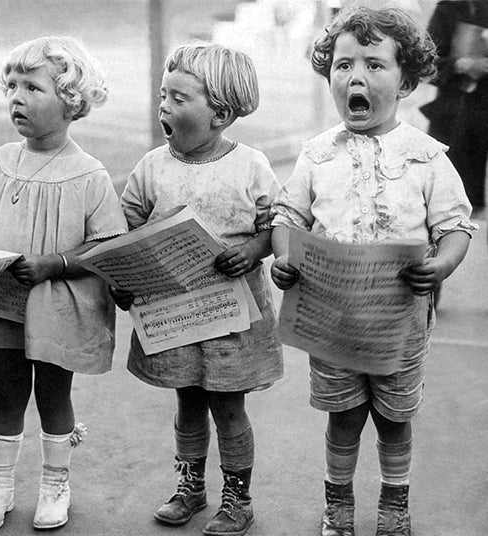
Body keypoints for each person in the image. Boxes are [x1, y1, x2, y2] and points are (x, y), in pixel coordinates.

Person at [270, 6, 477, 536]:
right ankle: (338, 506)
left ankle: (393, 505)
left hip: (398, 325)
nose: (355, 77)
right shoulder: (317, 155)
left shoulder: (428, 157)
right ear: (330, 76)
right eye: (343, 65)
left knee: (394, 419)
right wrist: (285, 256)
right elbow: (288, 217)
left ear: (406, 80)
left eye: (374, 65)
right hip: (330, 322)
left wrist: (442, 265)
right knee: (342, 419)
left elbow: (456, 226)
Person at [0, 36, 127, 532]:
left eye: (33, 87)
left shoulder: (90, 175)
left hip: (58, 306)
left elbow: (106, 247)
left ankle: (55, 485)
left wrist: (54, 263)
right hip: (0, 300)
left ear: (71, 100)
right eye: (11, 86)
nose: (17, 97)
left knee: (53, 396)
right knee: (6, 394)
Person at [115, 43, 283, 536]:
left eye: (179, 98)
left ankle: (237, 497)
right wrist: (121, 274)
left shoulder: (250, 165)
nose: (163, 106)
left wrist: (254, 250)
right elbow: (124, 225)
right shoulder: (151, 166)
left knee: (229, 405)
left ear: (220, 113)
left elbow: (278, 223)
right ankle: (191, 486)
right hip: (172, 311)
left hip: (233, 313)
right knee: (187, 400)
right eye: (163, 95)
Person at [422, 1, 488, 213]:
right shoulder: (449, 8)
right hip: (454, 117)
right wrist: (463, 64)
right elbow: (426, 62)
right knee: (448, 203)